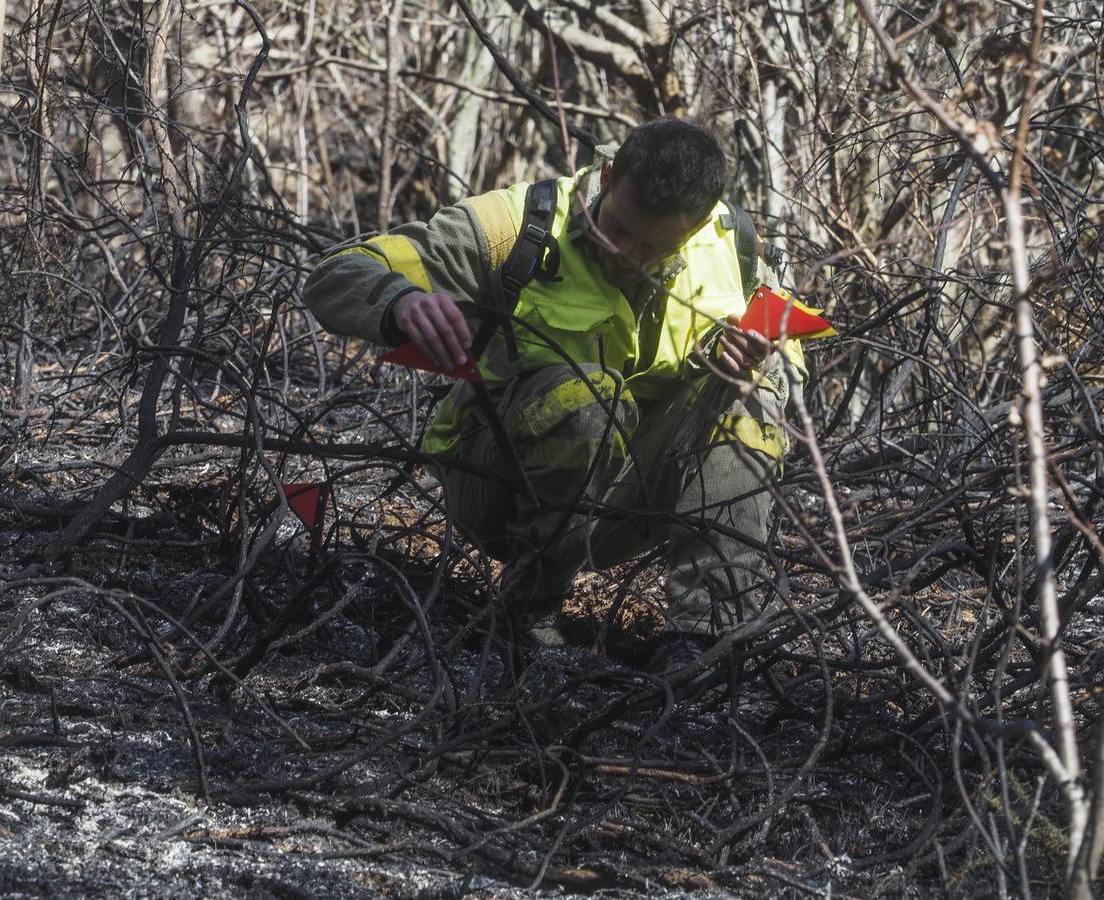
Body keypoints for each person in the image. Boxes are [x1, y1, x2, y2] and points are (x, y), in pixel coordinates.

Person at [302, 118, 801, 671]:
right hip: (496, 485)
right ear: (608, 175)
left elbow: (790, 354)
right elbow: (338, 271)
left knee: (747, 399)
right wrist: (398, 302)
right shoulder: (516, 223)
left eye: (652, 246)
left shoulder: (734, 247)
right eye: (616, 228)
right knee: (588, 395)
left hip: (626, 501)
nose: (625, 255)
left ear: (700, 223)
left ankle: (706, 644)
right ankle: (526, 613)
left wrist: (761, 355)